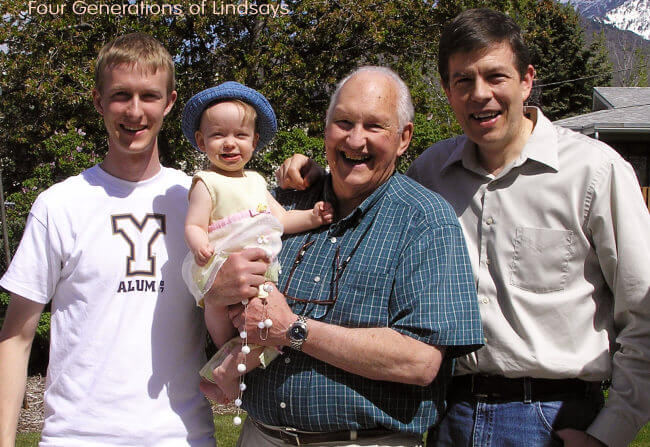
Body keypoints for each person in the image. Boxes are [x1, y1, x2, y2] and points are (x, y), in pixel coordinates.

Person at [277, 9, 650, 447]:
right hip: (446, 415)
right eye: (463, 81)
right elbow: (367, 186)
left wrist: (610, 433)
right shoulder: (431, 172)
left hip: (550, 417)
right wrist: (315, 174)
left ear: (526, 80)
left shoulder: (594, 172)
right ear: (448, 91)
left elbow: (642, 313)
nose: (480, 95)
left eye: (496, 77)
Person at [201, 66, 484, 447]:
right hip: (260, 436)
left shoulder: (425, 221)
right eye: (344, 122)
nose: (355, 139)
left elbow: (420, 361)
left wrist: (294, 330)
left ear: (404, 138)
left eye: (374, 126)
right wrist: (217, 290)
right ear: (326, 129)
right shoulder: (284, 206)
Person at [0, 33, 216, 446]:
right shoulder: (58, 205)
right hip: (78, 437)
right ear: (99, 102)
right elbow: (16, 337)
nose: (134, 111)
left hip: (180, 436)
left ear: (169, 102)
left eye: (148, 96)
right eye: (121, 95)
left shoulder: (196, 201)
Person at [180, 81, 333, 402]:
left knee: (271, 329)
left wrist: (312, 217)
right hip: (221, 263)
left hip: (258, 272)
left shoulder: (255, 181)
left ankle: (225, 373)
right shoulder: (206, 182)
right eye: (218, 135)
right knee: (240, 321)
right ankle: (224, 367)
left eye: (240, 135)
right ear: (201, 140)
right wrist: (198, 244)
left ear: (254, 141)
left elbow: (280, 219)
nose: (229, 143)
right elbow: (194, 223)